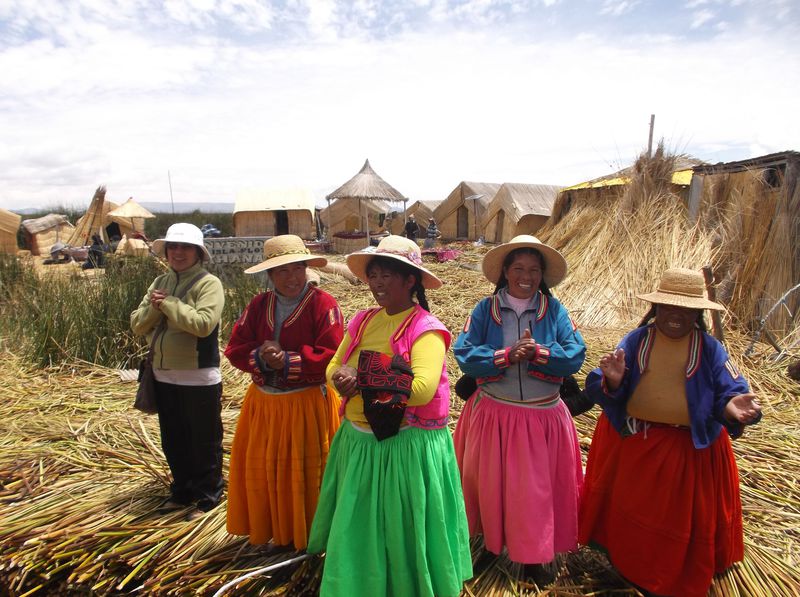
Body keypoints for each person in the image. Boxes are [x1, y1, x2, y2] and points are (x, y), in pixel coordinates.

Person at [579, 268, 762, 597]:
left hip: (688, 454)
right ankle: (631, 570)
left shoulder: (709, 349)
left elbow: (730, 388)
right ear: (656, 309)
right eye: (669, 308)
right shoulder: (637, 341)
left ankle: (670, 579)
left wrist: (732, 407)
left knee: (677, 525)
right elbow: (600, 379)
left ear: (698, 314)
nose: (676, 316)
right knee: (633, 516)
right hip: (636, 445)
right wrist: (615, 380)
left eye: (686, 310)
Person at [307, 235, 472, 597]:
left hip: (405, 446)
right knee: (361, 525)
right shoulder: (364, 321)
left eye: (387, 275)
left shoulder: (425, 328)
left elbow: (423, 388)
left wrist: (360, 377)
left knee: (401, 526)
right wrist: (342, 376)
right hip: (360, 441)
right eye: (374, 275)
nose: (377, 284)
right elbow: (333, 367)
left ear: (410, 280)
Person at [453, 234, 586, 586]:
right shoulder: (485, 310)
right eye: (518, 268)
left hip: (542, 418)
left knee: (535, 492)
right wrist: (505, 355)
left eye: (533, 269)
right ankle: (492, 545)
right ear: (505, 272)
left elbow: (575, 354)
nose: (525, 276)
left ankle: (533, 557)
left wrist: (540, 352)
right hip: (496, 413)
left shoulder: (554, 311)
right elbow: (464, 353)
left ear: (542, 275)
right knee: (489, 485)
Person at [224, 235, 344, 551]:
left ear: (307, 268)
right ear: (270, 275)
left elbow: (332, 354)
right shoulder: (259, 305)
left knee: (304, 474)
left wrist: (288, 359)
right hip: (264, 405)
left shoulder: (324, 305)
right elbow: (235, 347)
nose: (291, 278)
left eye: (297, 268)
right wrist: (262, 356)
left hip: (305, 405)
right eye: (282, 271)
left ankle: (310, 536)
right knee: (268, 470)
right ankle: (275, 531)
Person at [130, 223, 225, 521]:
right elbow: (137, 323)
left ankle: (208, 496)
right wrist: (156, 308)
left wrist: (169, 304)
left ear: (198, 252)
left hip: (198, 376)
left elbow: (203, 323)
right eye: (173, 247)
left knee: (204, 440)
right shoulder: (160, 280)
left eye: (185, 247)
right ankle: (182, 491)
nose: (178, 252)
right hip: (162, 374)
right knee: (173, 438)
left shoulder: (208, 284)